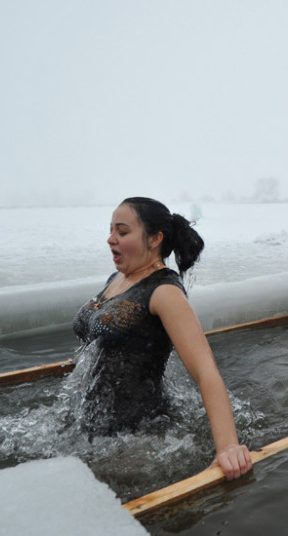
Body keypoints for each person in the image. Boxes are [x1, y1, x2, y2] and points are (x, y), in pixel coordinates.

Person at [72, 197, 252, 480]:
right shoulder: (117, 279)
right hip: (92, 425)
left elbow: (205, 371)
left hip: (137, 437)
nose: (110, 239)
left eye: (122, 231)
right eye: (111, 230)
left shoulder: (164, 292)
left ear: (155, 238)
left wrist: (228, 446)